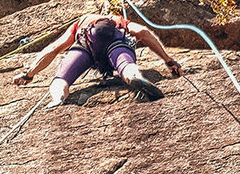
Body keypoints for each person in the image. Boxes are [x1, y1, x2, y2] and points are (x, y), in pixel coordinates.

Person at [12, 6, 182, 108]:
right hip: (116, 39)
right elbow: (144, 33)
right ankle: (135, 78)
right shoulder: (118, 20)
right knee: (125, 65)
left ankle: (58, 98)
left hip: (88, 42)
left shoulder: (83, 21)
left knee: (62, 78)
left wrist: (29, 74)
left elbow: (54, 48)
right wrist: (168, 60)